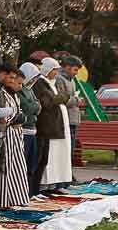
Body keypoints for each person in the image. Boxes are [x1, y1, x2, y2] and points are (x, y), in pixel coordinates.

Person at [0, 65, 31, 208]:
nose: (18, 85)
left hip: (15, 135)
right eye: (13, 79)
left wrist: (18, 116)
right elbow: (8, 116)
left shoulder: (12, 94)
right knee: (5, 168)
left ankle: (15, 198)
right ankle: (2, 200)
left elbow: (19, 113)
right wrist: (16, 116)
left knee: (16, 167)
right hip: (6, 134)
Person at [35, 57, 72, 189]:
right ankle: (45, 185)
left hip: (59, 126)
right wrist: (64, 97)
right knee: (49, 158)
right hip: (50, 126)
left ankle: (57, 183)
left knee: (59, 157)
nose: (56, 73)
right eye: (54, 70)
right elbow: (48, 102)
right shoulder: (40, 83)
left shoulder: (54, 82)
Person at [18, 62, 44, 197]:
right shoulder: (20, 89)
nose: (34, 81)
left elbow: (38, 107)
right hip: (24, 131)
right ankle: (22, 193)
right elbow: (27, 108)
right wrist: (34, 106)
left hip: (33, 130)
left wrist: (34, 106)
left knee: (32, 165)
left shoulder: (30, 90)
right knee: (23, 165)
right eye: (33, 77)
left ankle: (29, 192)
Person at [58, 54, 83, 175]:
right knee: (66, 150)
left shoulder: (71, 81)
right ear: (67, 67)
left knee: (70, 150)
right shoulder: (60, 80)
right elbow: (63, 99)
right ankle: (66, 175)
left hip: (73, 119)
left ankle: (69, 174)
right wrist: (77, 100)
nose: (76, 73)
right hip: (65, 119)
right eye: (75, 70)